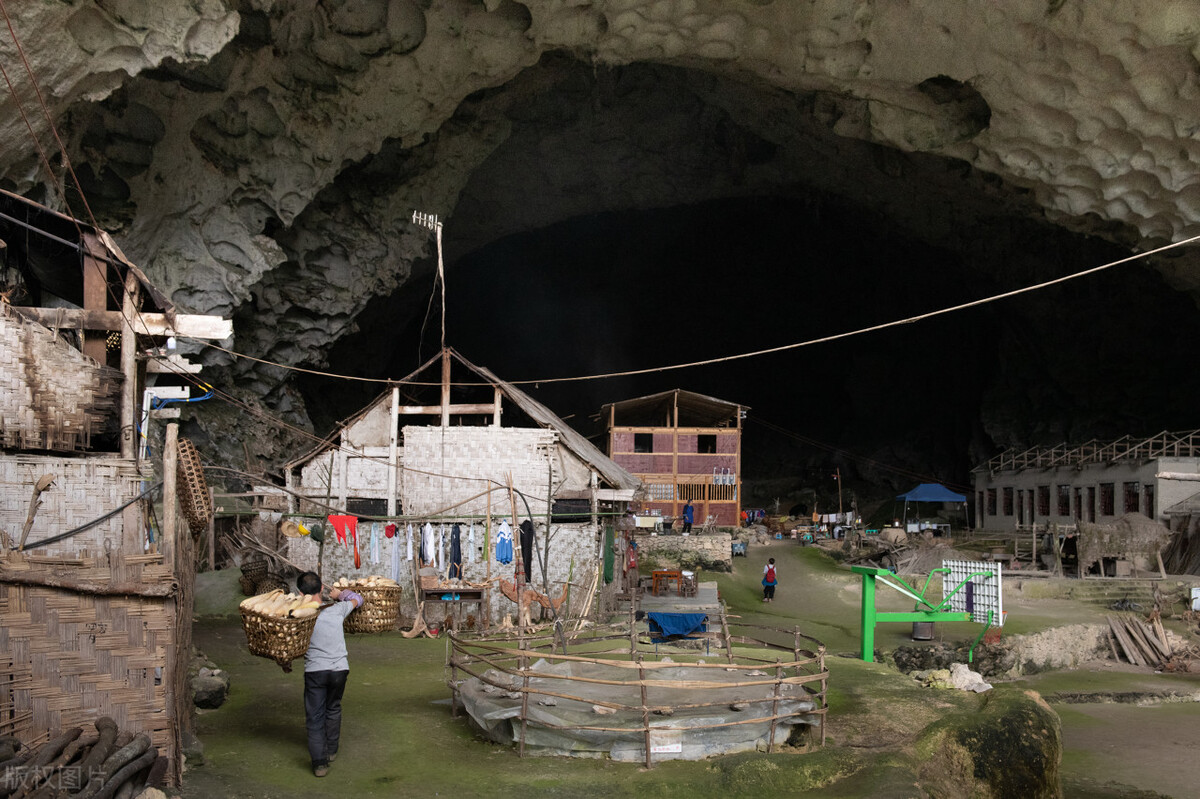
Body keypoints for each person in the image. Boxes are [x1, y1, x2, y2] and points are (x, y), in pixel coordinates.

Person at [296, 571, 363, 778]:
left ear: (300, 593)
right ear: (322, 589)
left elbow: (289, 645)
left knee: (315, 717)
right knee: (333, 708)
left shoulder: (298, 614)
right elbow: (358, 599)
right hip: (340, 670)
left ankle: (320, 764)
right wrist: (339, 594)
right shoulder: (337, 609)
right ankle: (332, 751)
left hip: (315, 671)